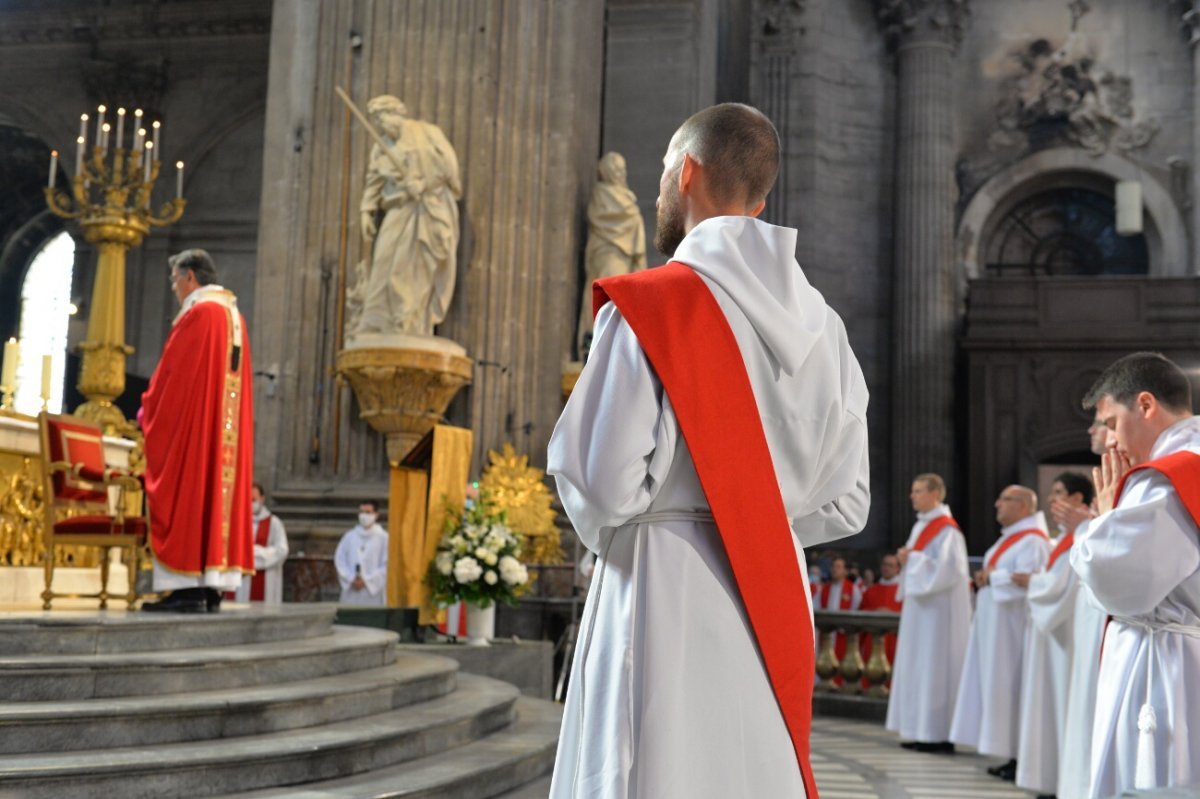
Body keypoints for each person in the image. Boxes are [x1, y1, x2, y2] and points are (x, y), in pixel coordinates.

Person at [546, 103, 870, 797]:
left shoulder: (656, 305)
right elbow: (849, 500)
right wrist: (757, 524)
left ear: (685, 171)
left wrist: (650, 525)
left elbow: (600, 483)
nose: (661, 188)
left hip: (662, 588)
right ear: (759, 200)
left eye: (664, 172)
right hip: (772, 592)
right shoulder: (828, 328)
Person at [1070, 352, 1200, 796]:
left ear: (1145, 405)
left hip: (1161, 665)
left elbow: (1115, 581)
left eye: (1110, 422)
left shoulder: (1169, 477)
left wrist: (1100, 522)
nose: (1108, 440)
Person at [140, 249, 254, 614]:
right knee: (216, 493)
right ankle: (210, 587)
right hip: (224, 435)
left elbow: (173, 380)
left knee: (189, 487)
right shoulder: (233, 315)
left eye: (175, 280)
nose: (174, 289)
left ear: (190, 277)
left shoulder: (199, 314)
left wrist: (149, 407)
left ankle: (185, 587)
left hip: (196, 430)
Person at [950, 484, 1050, 781]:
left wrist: (994, 577)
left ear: (1023, 506)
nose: (996, 504)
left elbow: (1029, 582)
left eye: (1004, 500)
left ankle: (1019, 756)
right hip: (995, 630)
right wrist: (990, 578)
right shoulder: (1012, 540)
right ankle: (1009, 753)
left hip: (1013, 631)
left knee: (1012, 688)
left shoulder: (1033, 541)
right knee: (998, 689)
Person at [348, 94, 462, 339]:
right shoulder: (382, 146)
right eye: (378, 119)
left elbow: (449, 169)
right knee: (384, 262)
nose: (382, 123)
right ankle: (377, 321)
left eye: (384, 116)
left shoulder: (427, 133)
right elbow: (374, 181)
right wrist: (366, 210)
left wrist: (425, 183)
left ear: (398, 113)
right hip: (398, 210)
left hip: (426, 210)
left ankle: (409, 321)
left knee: (414, 267)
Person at [1015, 472, 1094, 798]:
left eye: (1059, 492)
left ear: (1078, 499)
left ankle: (1062, 781)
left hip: (1069, 636)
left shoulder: (1082, 535)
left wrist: (1033, 583)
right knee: (1050, 706)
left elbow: (1067, 586)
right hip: (1056, 631)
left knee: (1063, 705)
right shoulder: (1065, 537)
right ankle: (1051, 778)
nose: (1051, 499)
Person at [885, 473, 970, 752]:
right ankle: (922, 731)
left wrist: (913, 560)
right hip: (921, 612)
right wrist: (907, 560)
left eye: (919, 490)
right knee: (920, 669)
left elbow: (950, 571)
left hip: (938, 616)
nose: (913, 496)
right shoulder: (923, 526)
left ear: (935, 493)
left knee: (935, 670)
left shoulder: (947, 531)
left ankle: (938, 735)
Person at [576, 151, 647, 359]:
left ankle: (606, 347)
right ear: (606, 171)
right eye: (616, 169)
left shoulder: (624, 201)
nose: (620, 173)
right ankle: (594, 345)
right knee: (603, 300)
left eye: (622, 169)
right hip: (607, 257)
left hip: (618, 258)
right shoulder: (603, 197)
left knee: (614, 303)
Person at [233, 483, 290, 605]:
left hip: (265, 578)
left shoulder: (274, 523)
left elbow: (282, 550)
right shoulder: (237, 522)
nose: (250, 503)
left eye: (253, 500)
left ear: (262, 499)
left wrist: (254, 555)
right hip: (241, 580)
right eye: (247, 500)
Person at [334, 501, 389, 606]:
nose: (364, 516)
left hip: (373, 593)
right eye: (362, 512)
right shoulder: (349, 536)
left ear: (376, 515)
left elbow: (387, 565)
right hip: (351, 590)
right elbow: (339, 559)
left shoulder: (384, 538)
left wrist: (367, 581)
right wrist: (350, 578)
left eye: (368, 512)